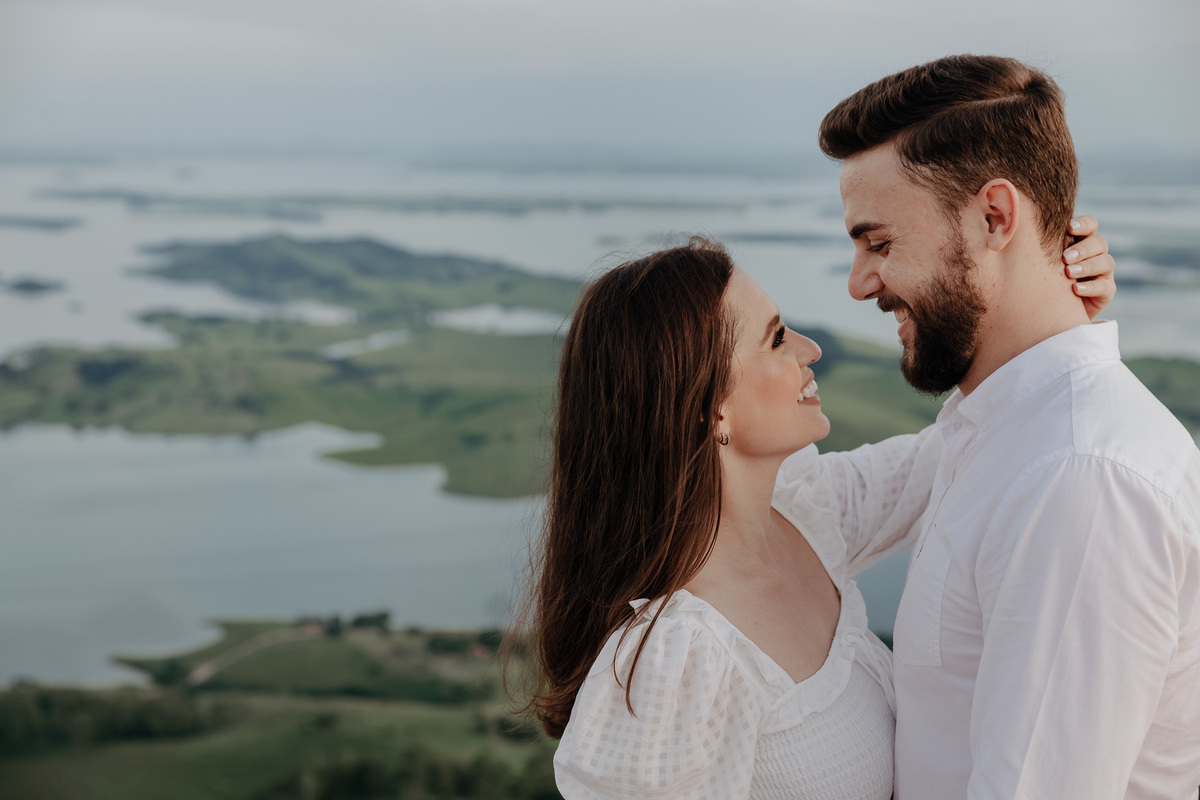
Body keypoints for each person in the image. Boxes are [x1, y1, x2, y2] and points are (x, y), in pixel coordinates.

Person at [514, 224, 1114, 797]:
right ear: (709, 408)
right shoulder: (675, 658)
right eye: (777, 338)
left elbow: (963, 447)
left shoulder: (807, 510)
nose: (811, 349)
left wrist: (1048, 312)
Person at [819, 54, 1200, 799]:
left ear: (995, 217)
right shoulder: (998, 433)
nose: (861, 282)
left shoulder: (1076, 479)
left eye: (880, 243)